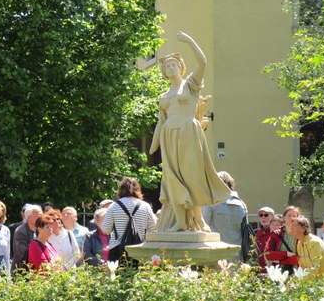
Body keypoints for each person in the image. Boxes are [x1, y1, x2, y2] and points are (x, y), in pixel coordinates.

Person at [149, 32, 231, 232]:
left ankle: (199, 220)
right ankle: (180, 221)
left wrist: (189, 41)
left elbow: (202, 62)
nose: (170, 68)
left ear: (181, 67)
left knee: (192, 176)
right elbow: (161, 123)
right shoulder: (164, 96)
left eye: (173, 65)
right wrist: (154, 146)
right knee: (172, 178)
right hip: (169, 136)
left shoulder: (191, 86)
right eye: (167, 66)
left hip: (189, 132)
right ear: (164, 72)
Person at [101, 177, 157, 263]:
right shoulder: (145, 206)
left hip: (117, 249)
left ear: (121, 190)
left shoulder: (114, 206)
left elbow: (105, 229)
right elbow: (154, 227)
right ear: (138, 189)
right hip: (139, 247)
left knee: (118, 275)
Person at [202, 171, 247, 262]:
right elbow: (245, 230)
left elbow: (204, 227)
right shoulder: (242, 204)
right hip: (237, 253)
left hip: (216, 253)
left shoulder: (212, 202)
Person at [264, 206, 299, 274]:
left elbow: (301, 258)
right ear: (284, 218)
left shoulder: (300, 235)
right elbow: (268, 254)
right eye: (289, 215)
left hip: (297, 273)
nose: (292, 218)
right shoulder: (276, 234)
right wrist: (286, 254)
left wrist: (281, 261)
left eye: (294, 216)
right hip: (278, 273)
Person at [11, 204, 41, 274]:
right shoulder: (20, 231)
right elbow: (23, 252)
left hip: (35, 270)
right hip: (21, 271)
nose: (41, 217)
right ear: (29, 217)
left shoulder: (39, 230)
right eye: (38, 215)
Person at [256, 206, 275, 271]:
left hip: (271, 268)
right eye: (261, 215)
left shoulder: (276, 231)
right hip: (259, 268)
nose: (263, 217)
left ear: (272, 217)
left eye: (266, 215)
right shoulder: (259, 231)